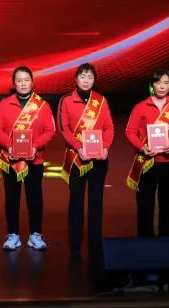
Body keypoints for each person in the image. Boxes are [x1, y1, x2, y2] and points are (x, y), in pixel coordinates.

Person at [0, 66, 56, 251]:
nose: (23, 84)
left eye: (26, 80)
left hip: (34, 160)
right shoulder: (5, 104)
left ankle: (35, 235)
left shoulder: (42, 105)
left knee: (35, 199)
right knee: (11, 199)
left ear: (32, 82)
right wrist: (9, 146)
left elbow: (50, 130)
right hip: (10, 159)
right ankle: (13, 235)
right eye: (19, 80)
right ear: (14, 84)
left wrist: (35, 146)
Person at [57, 63, 114, 256]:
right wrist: (78, 148)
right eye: (82, 76)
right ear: (76, 79)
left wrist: (105, 147)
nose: (86, 80)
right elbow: (64, 128)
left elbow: (109, 127)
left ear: (94, 80)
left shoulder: (101, 100)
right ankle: (75, 243)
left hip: (99, 158)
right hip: (77, 157)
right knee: (76, 200)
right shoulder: (66, 100)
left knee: (96, 201)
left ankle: (95, 242)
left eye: (90, 77)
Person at [124, 70, 169, 237]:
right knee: (145, 203)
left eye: (166, 83)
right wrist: (141, 147)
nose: (162, 86)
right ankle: (145, 240)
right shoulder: (141, 107)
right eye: (158, 82)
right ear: (152, 85)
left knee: (168, 203)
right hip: (147, 161)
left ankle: (166, 240)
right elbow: (130, 131)